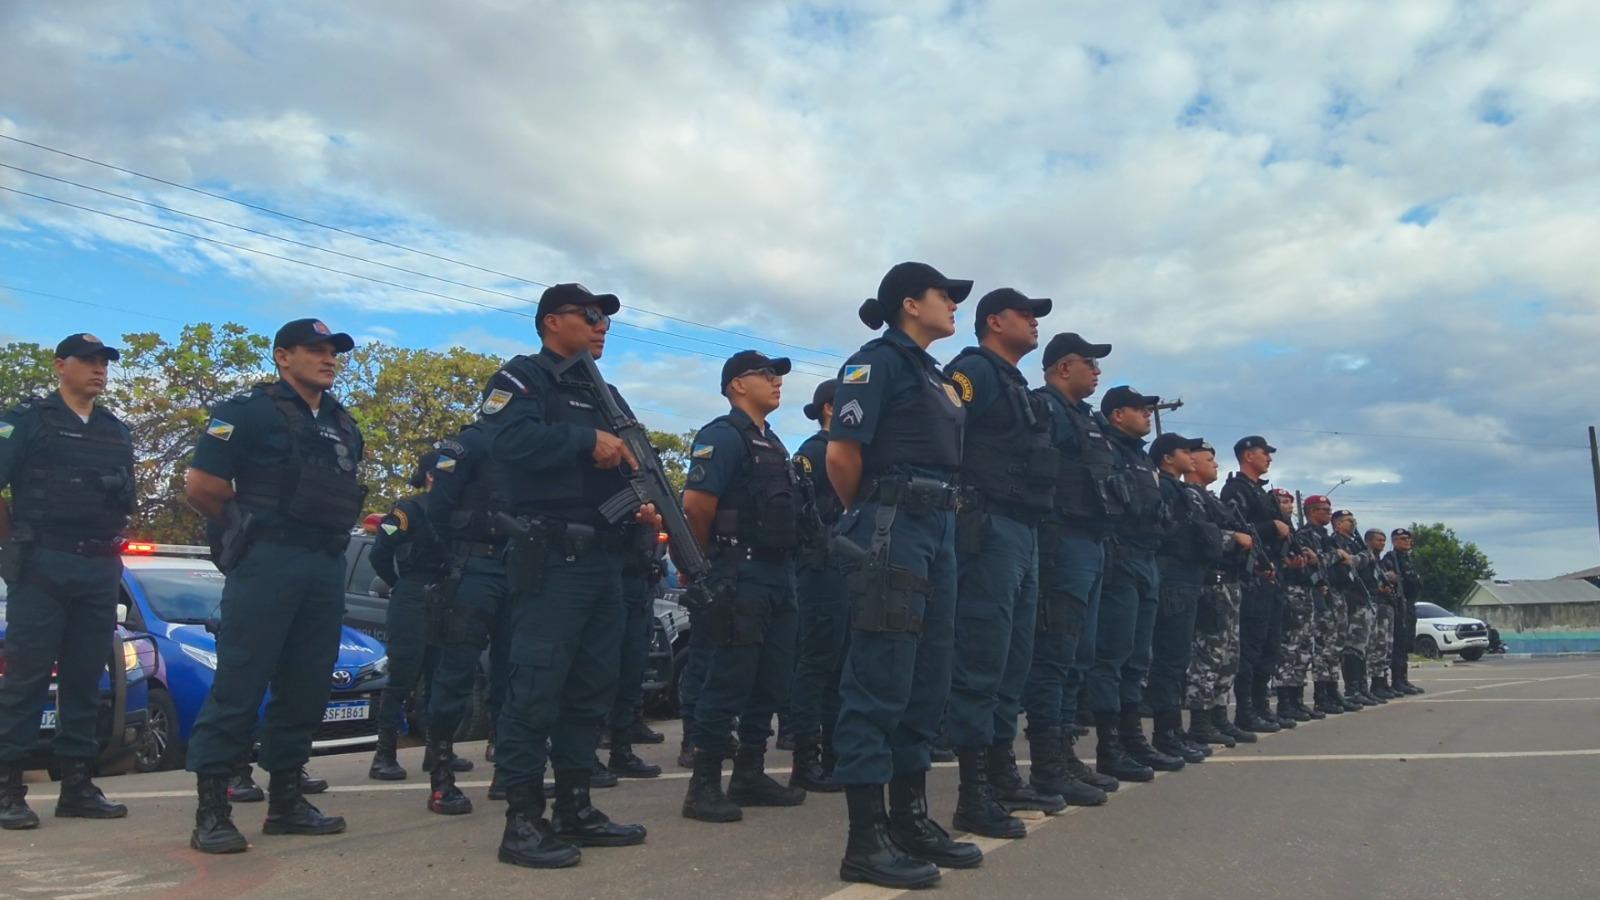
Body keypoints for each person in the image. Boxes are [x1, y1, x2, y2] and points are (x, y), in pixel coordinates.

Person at [480, 283, 659, 869]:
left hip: (606, 560)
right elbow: (504, 439)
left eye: (606, 317)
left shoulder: (604, 393)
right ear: (552, 321)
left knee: (590, 690)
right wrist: (585, 440)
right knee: (536, 689)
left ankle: (575, 807)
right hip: (554, 557)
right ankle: (522, 821)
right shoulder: (523, 378)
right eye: (591, 315)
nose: (602, 325)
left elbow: (626, 460)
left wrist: (642, 502)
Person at [184, 319, 365, 853]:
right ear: (283, 357)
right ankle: (212, 810)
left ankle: (286, 801)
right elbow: (203, 487)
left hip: (324, 563)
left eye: (333, 351)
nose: (328, 359)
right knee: (240, 682)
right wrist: (248, 532)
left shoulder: (343, 422)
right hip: (268, 560)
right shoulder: (248, 410)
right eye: (315, 350)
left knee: (307, 684)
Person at [828, 262, 976, 888]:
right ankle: (866, 840)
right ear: (911, 304)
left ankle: (910, 819)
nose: (953, 305)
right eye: (946, 295)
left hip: (937, 526)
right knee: (880, 678)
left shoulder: (933, 374)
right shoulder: (876, 362)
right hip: (893, 524)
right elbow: (842, 454)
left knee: (927, 679)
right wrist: (871, 516)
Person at [0, 333, 135, 830]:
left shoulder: (115, 430)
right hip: (43, 563)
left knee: (85, 678)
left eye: (104, 362)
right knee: (27, 678)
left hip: (98, 566)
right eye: (88, 361)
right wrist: (13, 546)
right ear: (61, 366)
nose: (99, 369)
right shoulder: (27, 421)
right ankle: (8, 787)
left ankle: (77, 785)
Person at [943, 288, 1065, 837]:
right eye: (1025, 314)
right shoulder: (973, 371)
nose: (1035, 323)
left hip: (1022, 528)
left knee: (1013, 663)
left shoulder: (1015, 383)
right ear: (995, 321)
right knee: (982, 660)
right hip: (988, 525)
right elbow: (944, 434)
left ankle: (1000, 774)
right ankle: (973, 794)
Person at [679, 350, 806, 823]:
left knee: (771, 679)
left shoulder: (772, 442)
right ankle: (704, 785)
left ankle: (749, 773)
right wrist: (704, 563)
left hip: (778, 573)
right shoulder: (723, 435)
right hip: (739, 572)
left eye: (777, 375)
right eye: (766, 374)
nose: (776, 381)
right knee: (728, 679)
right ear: (736, 385)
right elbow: (696, 506)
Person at [1019, 334, 1119, 807]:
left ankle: (1064, 752)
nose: (1097, 372)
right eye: (1089, 363)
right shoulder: (1045, 409)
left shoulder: (1086, 418)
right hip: (1060, 541)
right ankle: (1047, 765)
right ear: (1063, 367)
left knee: (1080, 655)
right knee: (1055, 655)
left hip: (1091, 541)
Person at [420, 419, 515, 815]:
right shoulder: (467, 445)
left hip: (517, 569)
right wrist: (459, 556)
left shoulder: (527, 446)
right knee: (455, 675)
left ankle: (508, 772)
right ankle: (441, 777)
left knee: (512, 675)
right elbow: (438, 510)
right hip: (472, 568)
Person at [1088, 386, 1176, 782]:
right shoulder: (1105, 447)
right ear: (1117, 414)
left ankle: (1131, 737)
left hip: (1147, 557)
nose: (1147, 415)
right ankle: (1109, 746)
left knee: (1139, 656)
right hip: (1120, 556)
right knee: (1114, 654)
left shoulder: (1141, 457)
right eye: (1140, 409)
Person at [367, 449, 449, 783]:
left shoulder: (455, 509)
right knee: (402, 678)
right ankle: (384, 755)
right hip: (413, 596)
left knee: (439, 678)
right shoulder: (408, 510)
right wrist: (400, 584)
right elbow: (379, 553)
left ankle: (438, 752)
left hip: (445, 597)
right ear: (430, 476)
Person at [1147, 433, 1222, 765]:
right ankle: (1165, 734)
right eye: (1184, 451)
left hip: (1188, 577)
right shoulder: (1163, 487)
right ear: (1167, 457)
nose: (1191, 455)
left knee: (1178, 660)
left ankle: (1173, 732)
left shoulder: (1179, 489)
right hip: (1173, 578)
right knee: (1169, 660)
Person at [788, 379, 847, 793]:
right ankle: (805, 760)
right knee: (817, 662)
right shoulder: (813, 452)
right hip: (819, 566)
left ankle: (834, 755)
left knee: (840, 664)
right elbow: (799, 511)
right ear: (829, 408)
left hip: (844, 568)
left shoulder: (850, 449)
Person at [1183, 442, 1258, 747]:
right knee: (1208, 654)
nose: (1215, 464)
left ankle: (1219, 716)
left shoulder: (1211, 498)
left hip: (1229, 583)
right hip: (1209, 583)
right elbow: (1197, 534)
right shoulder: (1189, 495)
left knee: (1229, 656)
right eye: (1209, 459)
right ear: (1192, 463)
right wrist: (1233, 538)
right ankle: (1200, 722)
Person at [1219, 436, 1291, 734]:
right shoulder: (1235, 489)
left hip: (1272, 576)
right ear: (1248, 455)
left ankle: (1262, 707)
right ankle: (1246, 711)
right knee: (1250, 646)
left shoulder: (1262, 492)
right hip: (1252, 579)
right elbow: (1234, 529)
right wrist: (1271, 526)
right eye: (1265, 453)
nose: (1269, 458)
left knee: (1269, 646)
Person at [1272, 489, 1319, 723]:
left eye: (1291, 502)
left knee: (1303, 651)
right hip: (1287, 593)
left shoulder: (1294, 533)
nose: (1289, 506)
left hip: (1304, 594)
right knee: (1287, 651)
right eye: (1283, 502)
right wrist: (1288, 565)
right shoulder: (1274, 531)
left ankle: (1297, 700)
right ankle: (1285, 703)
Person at [1296, 496, 1346, 716]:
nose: (1329, 513)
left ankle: (1332, 690)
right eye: (1324, 510)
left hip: (1332, 595)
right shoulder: (1305, 535)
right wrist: (1336, 555)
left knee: (1333, 648)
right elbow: (1312, 561)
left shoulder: (1325, 536)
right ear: (1312, 511)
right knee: (1321, 648)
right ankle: (1321, 696)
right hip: (1316, 595)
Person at [1329, 509, 1375, 709]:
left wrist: (1362, 557)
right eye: (1348, 520)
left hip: (1362, 597)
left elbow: (1362, 562)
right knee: (1351, 648)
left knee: (1361, 648)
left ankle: (1362, 688)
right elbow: (1349, 563)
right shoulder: (1335, 542)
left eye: (1353, 520)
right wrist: (1362, 557)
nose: (1353, 523)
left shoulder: (1355, 543)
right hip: (1349, 599)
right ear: (1338, 524)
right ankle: (1353, 689)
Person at [1384, 528, 1425, 695]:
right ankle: (1397, 681)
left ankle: (1403, 679)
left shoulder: (1408, 559)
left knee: (1407, 643)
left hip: (1409, 604)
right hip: (1398, 605)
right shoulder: (1390, 558)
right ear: (1394, 541)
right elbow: (1388, 578)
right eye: (1402, 538)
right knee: (1398, 645)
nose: (1407, 541)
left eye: (1408, 538)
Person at [1364, 529, 1399, 700]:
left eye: (1384, 541)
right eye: (1378, 540)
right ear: (1369, 541)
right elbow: (1367, 581)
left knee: (1386, 646)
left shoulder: (1381, 561)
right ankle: (1375, 684)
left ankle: (1383, 681)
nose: (1382, 544)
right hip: (1375, 605)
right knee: (1377, 646)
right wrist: (1381, 585)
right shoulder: (1366, 559)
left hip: (1386, 606)